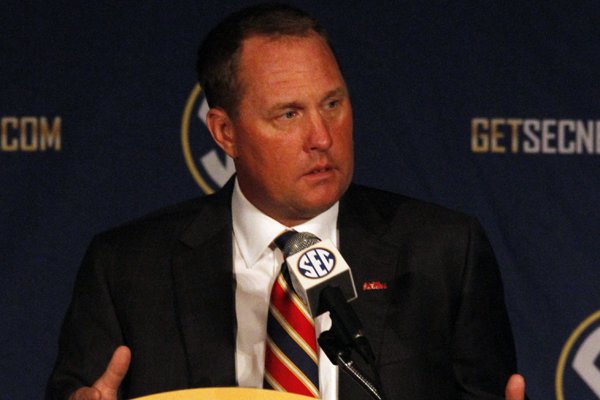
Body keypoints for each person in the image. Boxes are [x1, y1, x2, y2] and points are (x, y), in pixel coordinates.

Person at [47, 4, 526, 400]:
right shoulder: (128, 268)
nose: (321, 137)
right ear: (225, 132)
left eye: (333, 104)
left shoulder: (443, 251)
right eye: (289, 114)